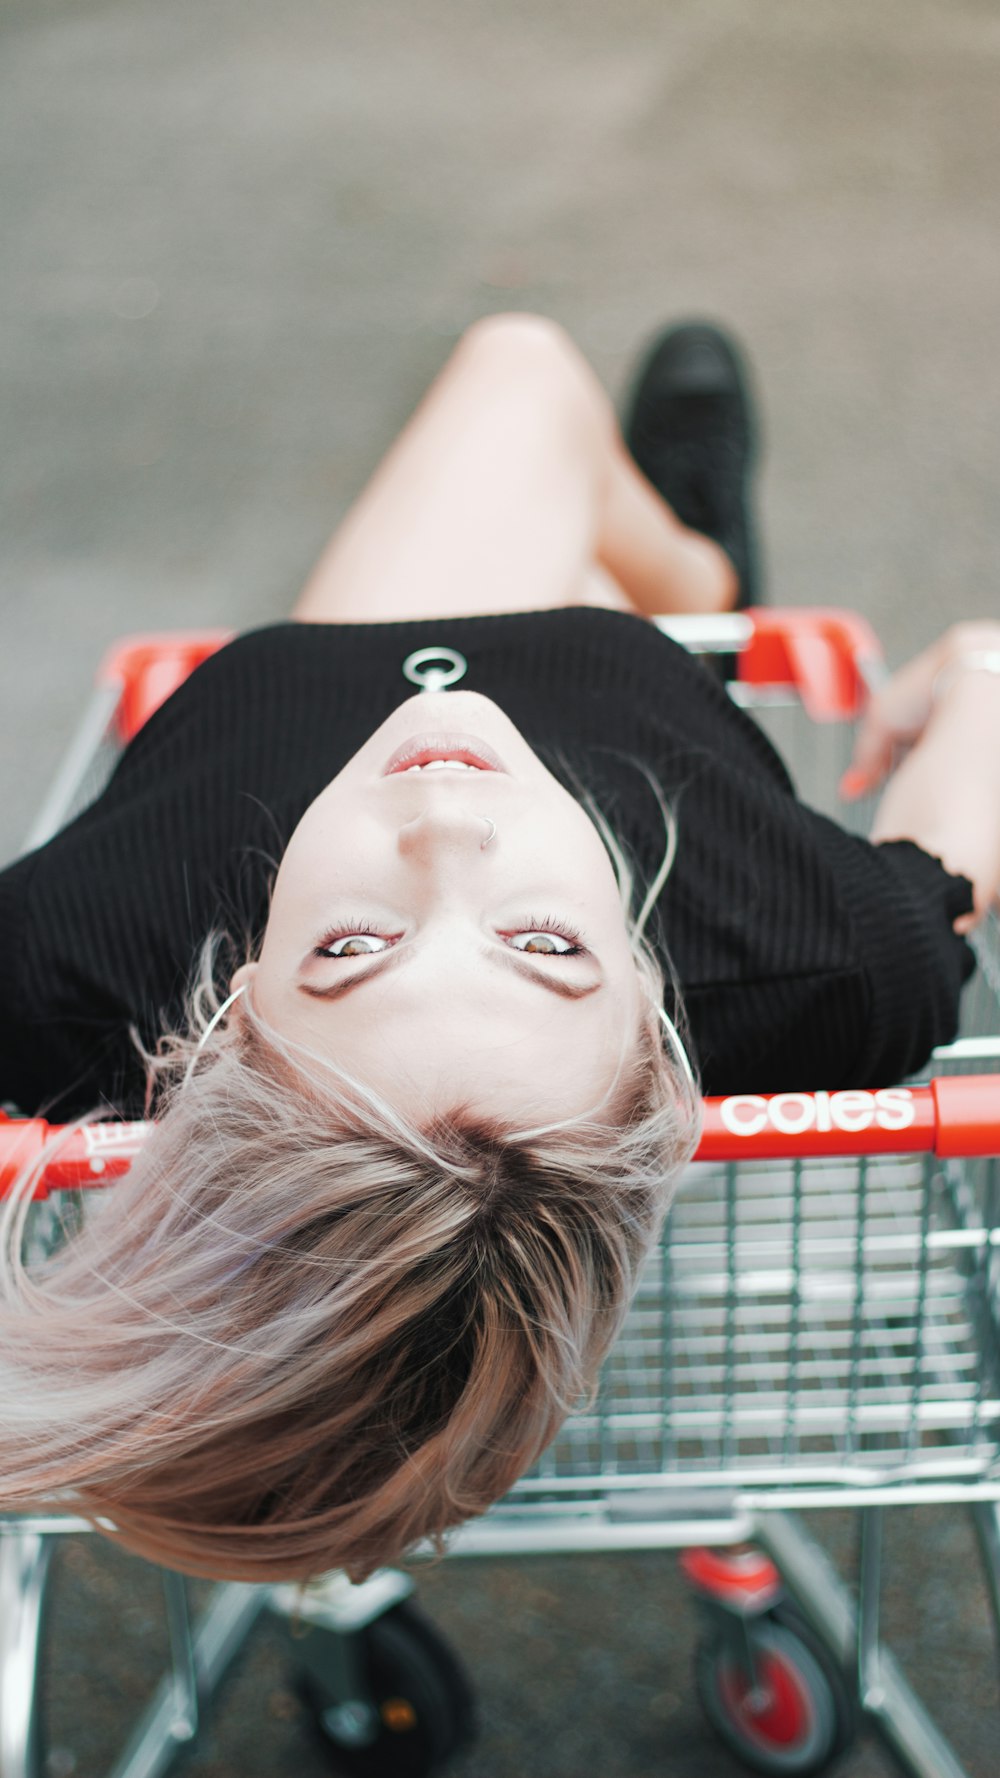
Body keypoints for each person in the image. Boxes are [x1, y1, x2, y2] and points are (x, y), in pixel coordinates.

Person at [0, 315, 998, 1584]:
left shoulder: (59, 965)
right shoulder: (819, 947)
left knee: (521, 371)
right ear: (653, 1016)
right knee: (523, 378)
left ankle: (677, 570)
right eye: (541, 942)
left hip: (332, 672)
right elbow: (971, 790)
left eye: (352, 945)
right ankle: (695, 580)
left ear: (233, 1012)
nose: (448, 823)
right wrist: (979, 659)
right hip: (645, 708)